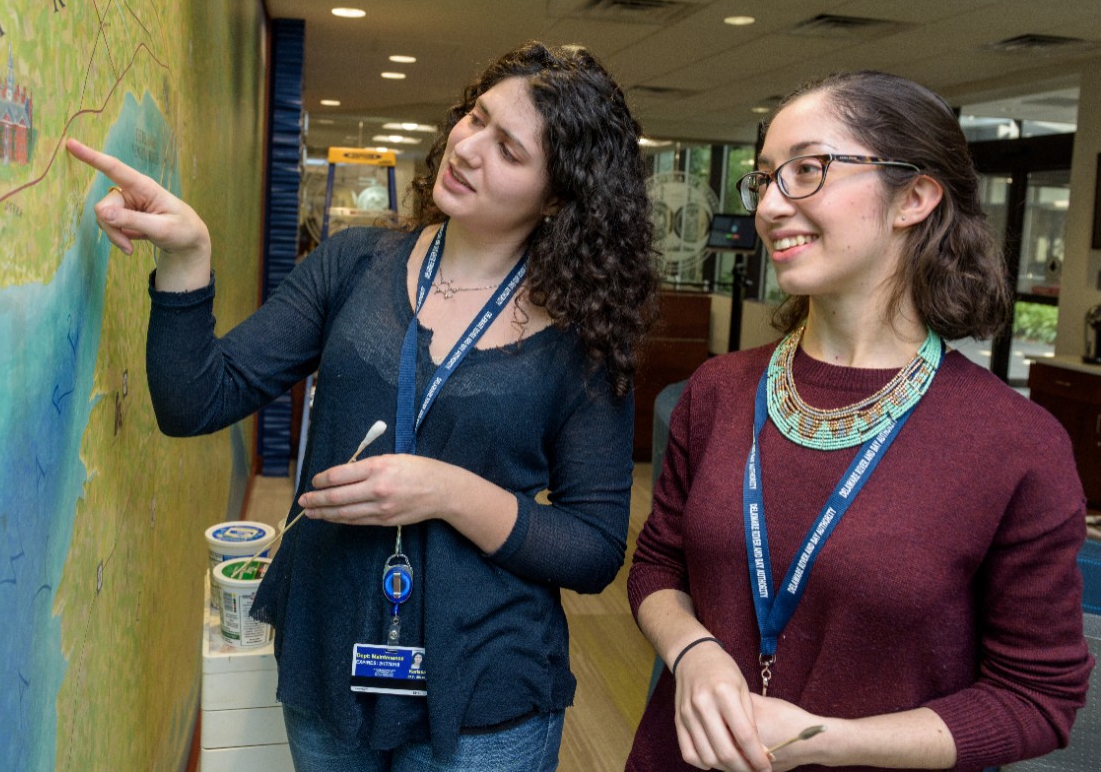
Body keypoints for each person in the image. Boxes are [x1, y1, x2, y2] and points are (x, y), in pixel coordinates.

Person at [66, 40, 657, 771]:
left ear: (559, 196)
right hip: (329, 652)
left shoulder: (583, 334)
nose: (467, 148)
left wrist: (444, 490)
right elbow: (195, 398)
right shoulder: (356, 264)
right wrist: (187, 257)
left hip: (484, 690)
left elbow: (594, 547)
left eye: (507, 148)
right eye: (476, 117)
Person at [627, 70, 1094, 772]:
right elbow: (659, 563)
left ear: (915, 195)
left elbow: (1036, 698)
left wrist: (826, 738)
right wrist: (691, 651)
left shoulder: (1016, 443)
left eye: (807, 170)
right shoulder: (719, 390)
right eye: (764, 179)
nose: (771, 205)